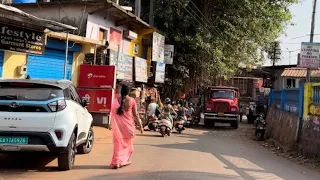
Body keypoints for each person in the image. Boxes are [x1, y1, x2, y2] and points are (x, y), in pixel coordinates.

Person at [110, 85, 143, 169]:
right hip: (128, 127)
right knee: (127, 144)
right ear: (128, 92)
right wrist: (140, 126)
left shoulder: (115, 101)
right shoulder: (132, 100)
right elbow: (135, 115)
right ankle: (124, 160)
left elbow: (113, 113)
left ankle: (117, 162)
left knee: (118, 144)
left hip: (118, 127)